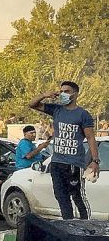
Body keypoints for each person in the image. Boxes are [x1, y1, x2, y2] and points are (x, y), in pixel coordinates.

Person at [29, 81, 100, 220]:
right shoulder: (56, 109)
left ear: (75, 94)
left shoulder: (83, 114)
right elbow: (32, 104)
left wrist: (95, 161)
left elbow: (91, 138)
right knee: (61, 196)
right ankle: (68, 223)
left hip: (73, 163)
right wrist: (45, 95)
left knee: (77, 196)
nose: (63, 94)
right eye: (61, 91)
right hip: (57, 162)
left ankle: (86, 225)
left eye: (66, 91)